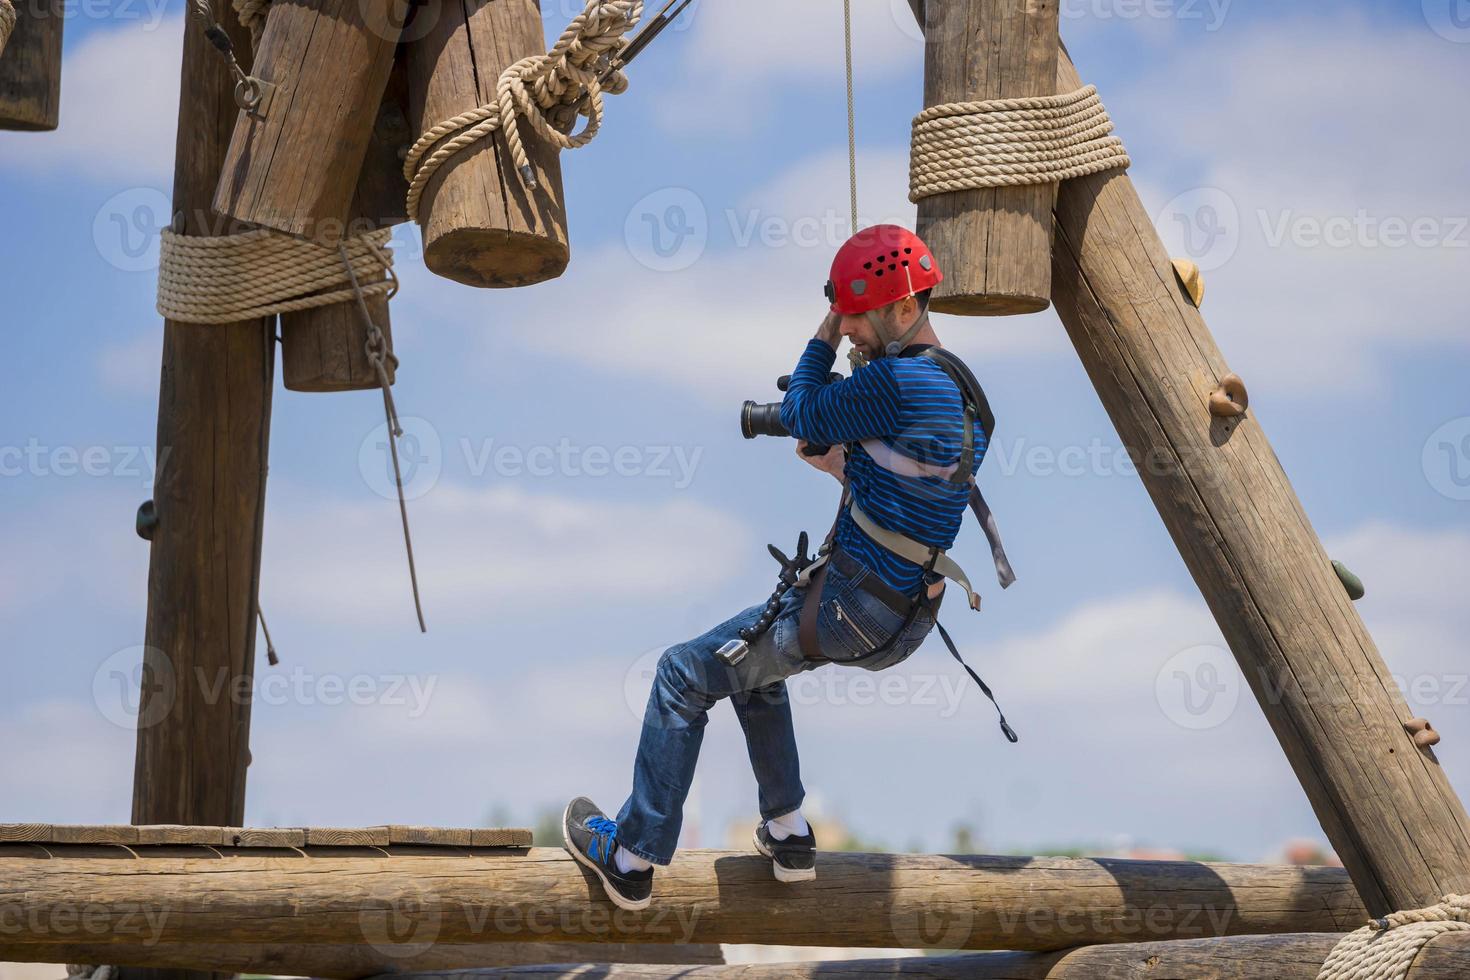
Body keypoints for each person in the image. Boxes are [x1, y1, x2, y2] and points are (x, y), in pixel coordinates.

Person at [563, 225, 1003, 911]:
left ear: (903, 307)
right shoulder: (958, 389)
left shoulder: (895, 378)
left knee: (682, 674)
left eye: (859, 311)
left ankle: (630, 857)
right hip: (907, 613)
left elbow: (802, 403)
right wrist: (844, 466)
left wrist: (823, 330)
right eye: (844, 313)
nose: (853, 326)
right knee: (751, 668)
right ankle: (788, 833)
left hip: (851, 608)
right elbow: (912, 493)